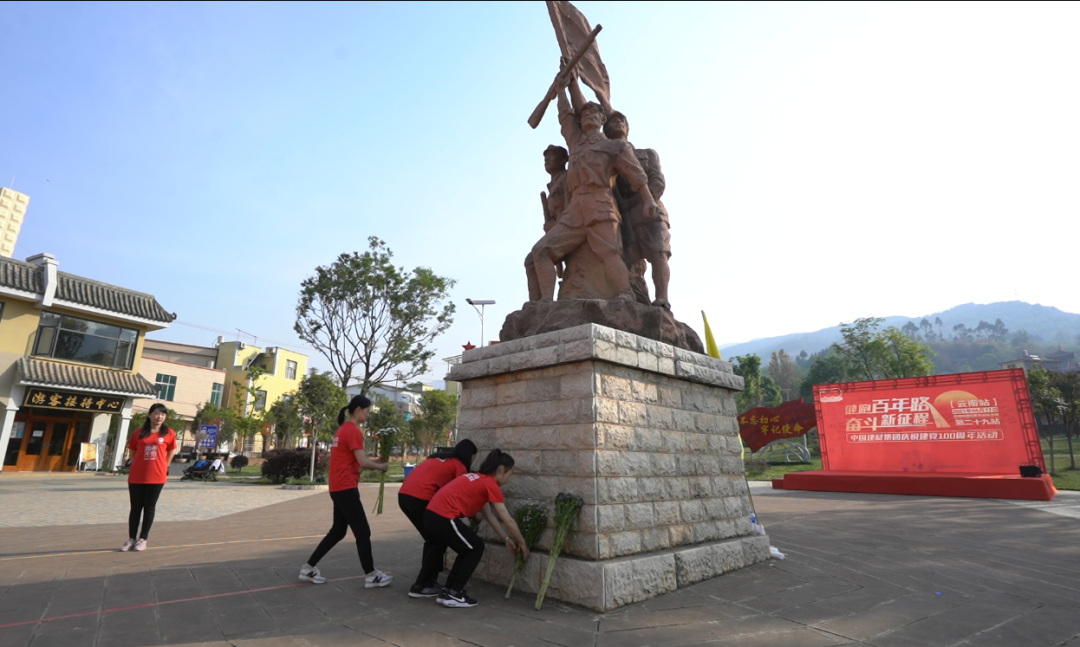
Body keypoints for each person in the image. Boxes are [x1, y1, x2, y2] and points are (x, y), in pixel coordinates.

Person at [530, 71, 659, 302]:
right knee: (541, 252)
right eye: (585, 114)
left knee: (609, 253)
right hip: (574, 210)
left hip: (600, 205)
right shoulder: (575, 142)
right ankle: (546, 305)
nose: (588, 115)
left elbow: (637, 175)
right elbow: (565, 115)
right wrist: (561, 89)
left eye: (594, 113)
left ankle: (624, 294)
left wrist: (648, 200)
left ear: (602, 121)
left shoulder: (615, 147)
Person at [298, 395, 393, 588]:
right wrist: (381, 466)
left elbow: (354, 460)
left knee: (338, 531)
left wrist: (376, 462)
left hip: (338, 487)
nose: (367, 415)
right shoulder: (353, 431)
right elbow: (363, 462)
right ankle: (371, 575)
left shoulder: (343, 429)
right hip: (346, 487)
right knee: (363, 532)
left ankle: (308, 568)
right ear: (358, 410)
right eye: (367, 411)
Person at [423, 449, 529, 608]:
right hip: (442, 516)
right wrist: (522, 542)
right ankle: (454, 594)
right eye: (509, 474)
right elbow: (508, 520)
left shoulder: (479, 479)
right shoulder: (490, 484)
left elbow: (489, 516)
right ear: (501, 470)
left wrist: (506, 539)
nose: (508, 479)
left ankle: (449, 591)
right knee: (475, 547)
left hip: (433, 515)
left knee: (468, 548)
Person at [604, 110, 672, 308]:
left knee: (659, 253)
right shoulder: (607, 160)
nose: (618, 123)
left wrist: (634, 202)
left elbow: (658, 183)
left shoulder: (647, 154)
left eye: (621, 120)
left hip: (651, 212)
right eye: (612, 122)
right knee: (630, 263)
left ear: (628, 127)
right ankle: (636, 299)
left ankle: (662, 298)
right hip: (625, 219)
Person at [397, 439, 478, 598]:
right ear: (469, 455)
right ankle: (421, 585)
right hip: (420, 497)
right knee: (438, 540)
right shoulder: (459, 465)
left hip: (405, 495)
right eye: (474, 457)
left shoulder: (440, 458)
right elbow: (462, 491)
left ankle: (429, 580)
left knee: (432, 539)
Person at [120, 402, 177, 552]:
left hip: (157, 476)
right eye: (157, 413)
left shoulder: (169, 433)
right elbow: (132, 451)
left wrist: (165, 465)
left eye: (163, 414)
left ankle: (143, 539)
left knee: (149, 507)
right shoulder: (139, 433)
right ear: (149, 415)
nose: (160, 416)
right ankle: (131, 539)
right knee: (135, 507)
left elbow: (171, 451)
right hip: (137, 476)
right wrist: (137, 464)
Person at [525, 145, 570, 301]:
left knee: (540, 252)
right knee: (530, 261)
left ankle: (546, 300)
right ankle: (536, 303)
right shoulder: (552, 185)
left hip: (570, 227)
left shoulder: (567, 179)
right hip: (558, 229)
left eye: (551, 155)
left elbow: (570, 208)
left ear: (563, 160)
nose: (546, 159)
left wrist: (554, 225)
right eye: (545, 156)